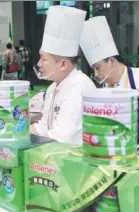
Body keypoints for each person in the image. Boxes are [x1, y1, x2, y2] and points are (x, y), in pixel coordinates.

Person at [80, 16, 139, 157]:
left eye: (98, 67)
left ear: (112, 61)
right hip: (128, 154)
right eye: (93, 70)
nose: (96, 74)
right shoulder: (105, 91)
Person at [30, 6, 96, 145]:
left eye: (44, 59)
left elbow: (62, 136)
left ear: (63, 64)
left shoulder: (80, 88)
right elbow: (44, 126)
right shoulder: (53, 88)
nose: (39, 64)